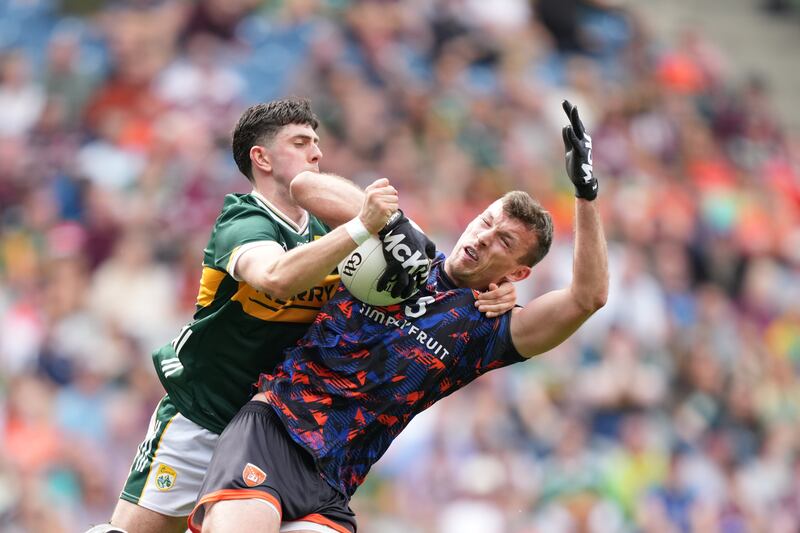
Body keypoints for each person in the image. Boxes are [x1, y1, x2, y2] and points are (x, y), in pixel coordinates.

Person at [187, 100, 609, 533]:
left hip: (334, 481)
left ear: (518, 272)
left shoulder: (489, 327)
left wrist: (585, 193)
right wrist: (391, 225)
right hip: (275, 426)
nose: (483, 238)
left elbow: (587, 298)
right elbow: (304, 187)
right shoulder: (403, 250)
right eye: (485, 222)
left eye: (503, 242)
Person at [104, 97, 513, 533]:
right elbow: (276, 277)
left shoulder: (326, 232)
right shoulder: (243, 220)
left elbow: (417, 274)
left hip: (274, 435)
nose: (316, 153)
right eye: (300, 143)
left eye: (316, 142)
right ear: (261, 157)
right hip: (203, 415)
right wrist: (360, 227)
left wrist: (489, 282)